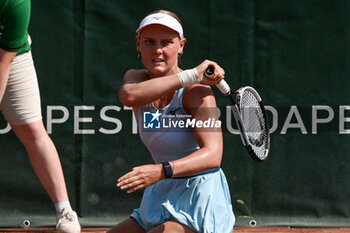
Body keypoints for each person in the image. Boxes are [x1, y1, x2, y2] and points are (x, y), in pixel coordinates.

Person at [108, 9, 235, 233]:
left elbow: (213, 155)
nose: (158, 50)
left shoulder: (196, 92)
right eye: (149, 42)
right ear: (138, 44)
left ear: (181, 45)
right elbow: (129, 96)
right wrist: (191, 74)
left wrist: (161, 171)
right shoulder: (135, 79)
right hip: (160, 195)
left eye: (167, 42)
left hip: (198, 199)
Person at [0, 1, 80, 232]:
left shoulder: (16, 3)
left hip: (10, 58)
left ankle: (64, 210)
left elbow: (4, 60)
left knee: (33, 131)